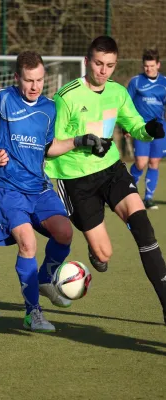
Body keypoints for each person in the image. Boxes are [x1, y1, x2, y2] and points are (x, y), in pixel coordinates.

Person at [0, 50, 111, 332]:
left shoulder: (49, 108)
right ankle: (33, 313)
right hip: (7, 189)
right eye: (29, 80)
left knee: (65, 233)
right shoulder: (3, 99)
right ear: (17, 77)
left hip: (39, 188)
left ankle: (45, 279)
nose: (35, 86)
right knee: (27, 243)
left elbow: (49, 148)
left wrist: (80, 141)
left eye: (40, 80)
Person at [45, 36, 166, 325]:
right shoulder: (67, 96)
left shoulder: (118, 92)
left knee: (143, 228)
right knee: (104, 255)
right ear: (87, 62)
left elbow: (134, 125)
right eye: (98, 64)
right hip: (75, 179)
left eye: (110, 65)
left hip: (111, 169)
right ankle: (95, 252)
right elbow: (49, 146)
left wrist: (149, 130)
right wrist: (82, 142)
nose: (104, 71)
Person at [126, 48, 166, 210]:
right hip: (140, 126)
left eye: (151, 65)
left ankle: (148, 198)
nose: (148, 69)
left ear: (158, 65)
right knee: (141, 163)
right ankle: (128, 189)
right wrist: (126, 126)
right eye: (146, 66)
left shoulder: (164, 83)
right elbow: (126, 105)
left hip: (160, 127)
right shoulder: (136, 81)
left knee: (154, 162)